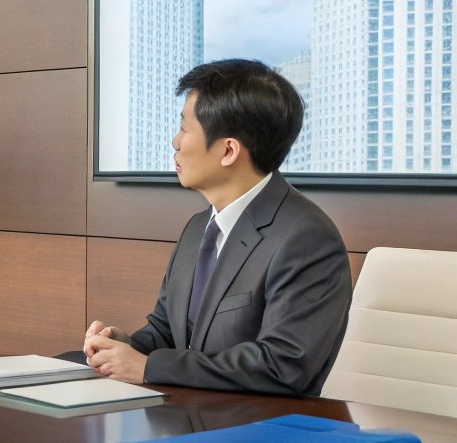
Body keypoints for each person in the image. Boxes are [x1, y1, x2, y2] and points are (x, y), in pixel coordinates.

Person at [84, 59, 350, 395]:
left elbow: (282, 366)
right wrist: (124, 346)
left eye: (185, 128)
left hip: (256, 435)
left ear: (228, 150)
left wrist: (149, 367)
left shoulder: (307, 239)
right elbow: (168, 332)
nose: (175, 142)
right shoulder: (199, 227)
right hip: (185, 421)